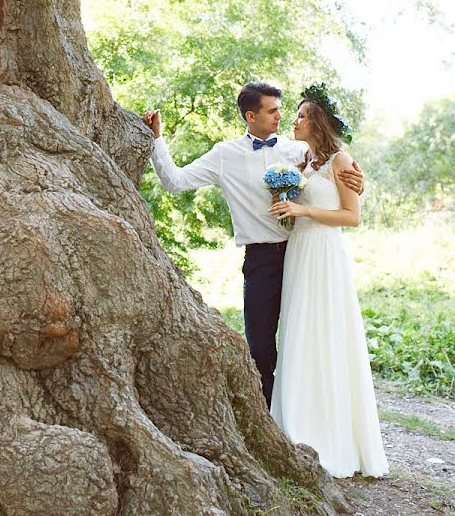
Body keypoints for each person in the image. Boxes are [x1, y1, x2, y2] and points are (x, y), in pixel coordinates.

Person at [142, 81, 364, 408]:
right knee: (260, 348)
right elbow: (175, 181)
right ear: (251, 115)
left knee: (303, 342)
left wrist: (361, 182)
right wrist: (157, 139)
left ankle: (305, 416)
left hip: (301, 254)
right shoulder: (224, 155)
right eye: (272, 110)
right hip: (260, 261)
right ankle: (269, 420)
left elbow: (332, 181)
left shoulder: (297, 150)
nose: (280, 116)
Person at [268, 85, 389, 478]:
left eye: (301, 115)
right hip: (299, 253)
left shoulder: (341, 160)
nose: (294, 120)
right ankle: (295, 426)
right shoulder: (300, 160)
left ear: (318, 121)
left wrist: (303, 208)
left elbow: (352, 217)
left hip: (324, 254)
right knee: (299, 334)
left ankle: (333, 437)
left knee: (327, 334)